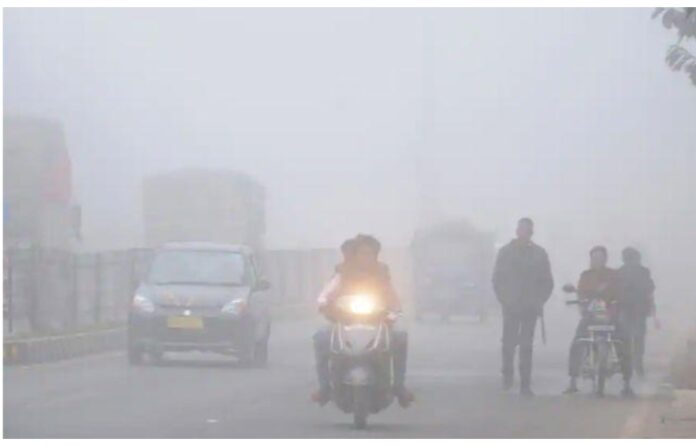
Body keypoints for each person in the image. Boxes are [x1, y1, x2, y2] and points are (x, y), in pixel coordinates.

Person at [311, 234, 414, 407]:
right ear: (355, 254)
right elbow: (327, 293)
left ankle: (399, 386)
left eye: (370, 253)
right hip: (345, 322)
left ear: (376, 255)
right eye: (362, 253)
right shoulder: (342, 272)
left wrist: (394, 312)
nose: (366, 257)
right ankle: (324, 387)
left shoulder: (382, 273)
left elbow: (392, 297)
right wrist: (324, 304)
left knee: (400, 337)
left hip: (377, 322)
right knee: (321, 337)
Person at [492, 218, 554, 397]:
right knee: (508, 344)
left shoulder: (539, 254)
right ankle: (507, 376)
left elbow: (547, 281)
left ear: (531, 232)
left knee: (526, 346)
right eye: (521, 229)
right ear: (517, 231)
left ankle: (525, 383)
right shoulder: (505, 252)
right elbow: (497, 279)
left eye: (527, 230)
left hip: (530, 307)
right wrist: (504, 299)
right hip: (511, 306)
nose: (524, 233)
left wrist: (540, 300)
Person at [563, 246, 634, 397]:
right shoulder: (585, 276)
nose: (597, 260)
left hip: (610, 317)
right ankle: (573, 381)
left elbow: (621, 293)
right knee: (577, 342)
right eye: (594, 258)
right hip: (590, 317)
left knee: (624, 342)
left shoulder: (613, 275)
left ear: (605, 259)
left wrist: (618, 304)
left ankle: (627, 382)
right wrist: (582, 304)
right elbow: (580, 293)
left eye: (600, 257)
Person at [616, 247, 655, 378]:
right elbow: (650, 290)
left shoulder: (622, 272)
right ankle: (634, 366)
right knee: (633, 339)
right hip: (632, 309)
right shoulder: (641, 271)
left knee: (632, 338)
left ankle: (632, 366)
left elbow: (649, 290)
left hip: (634, 309)